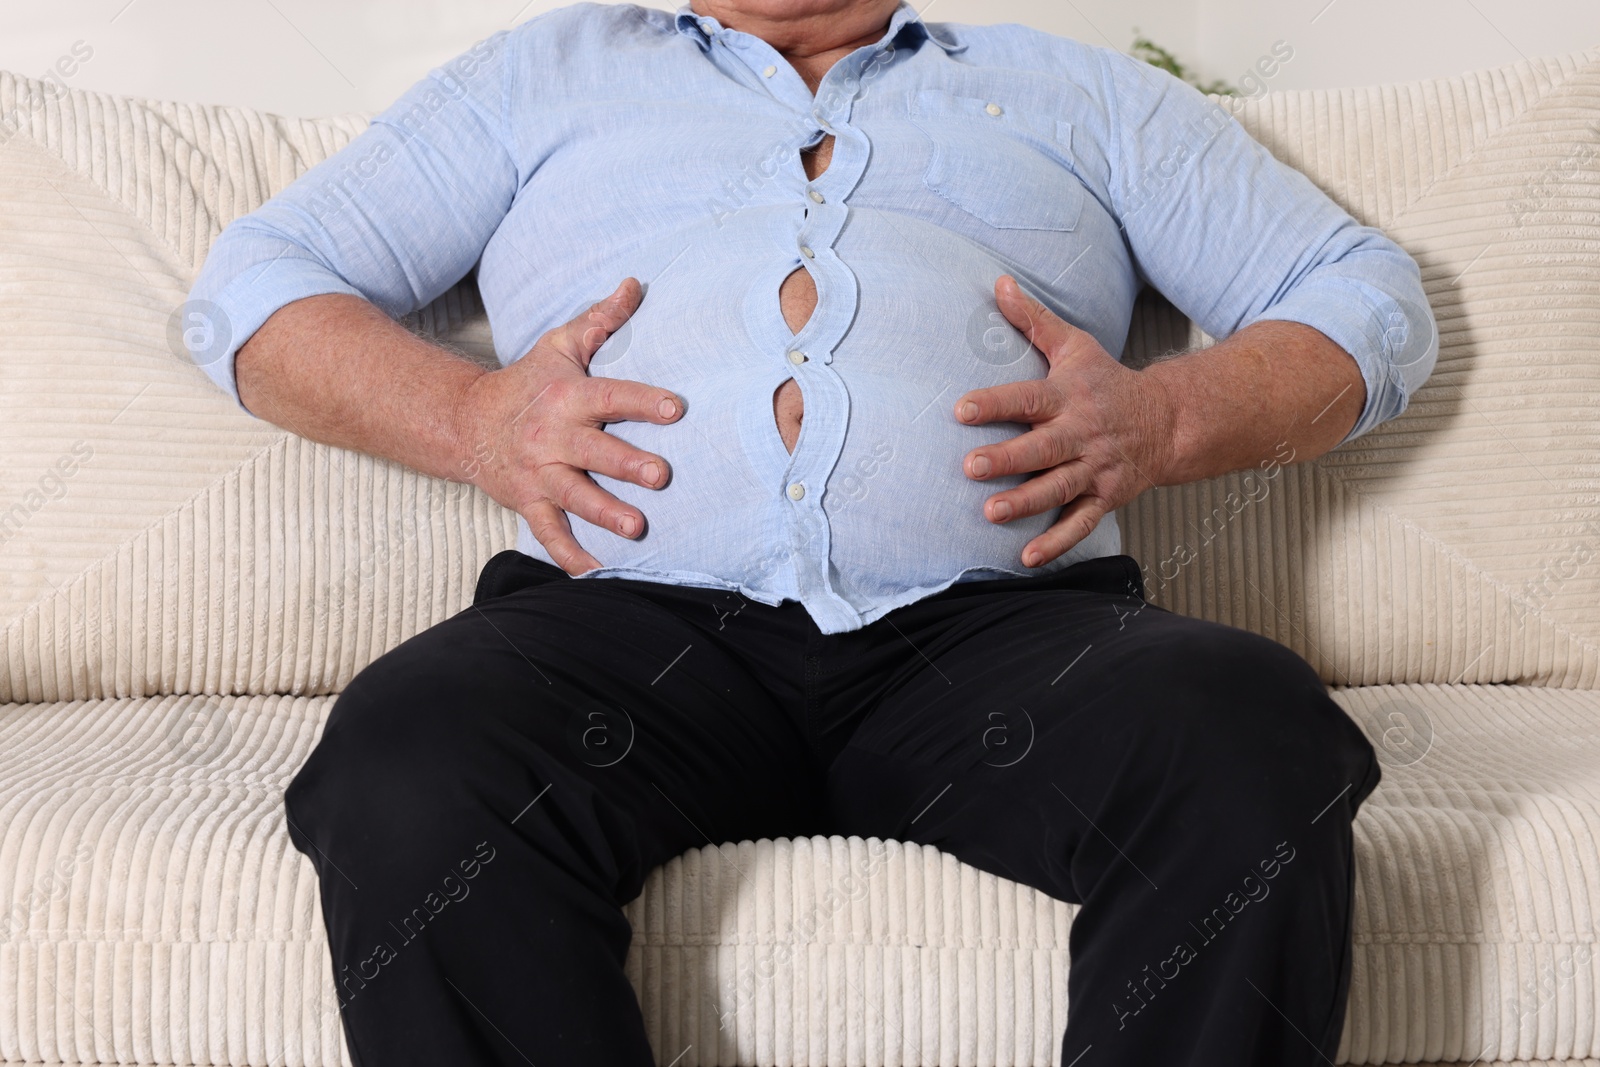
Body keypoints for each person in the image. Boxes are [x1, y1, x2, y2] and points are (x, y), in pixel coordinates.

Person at [184, 1, 1438, 1063]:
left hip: (1002, 637)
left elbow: (1366, 294)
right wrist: (470, 415)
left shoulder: (1075, 93)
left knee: (1245, 728)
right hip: (618, 630)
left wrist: (1166, 416)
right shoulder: (539, 77)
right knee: (411, 753)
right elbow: (256, 285)